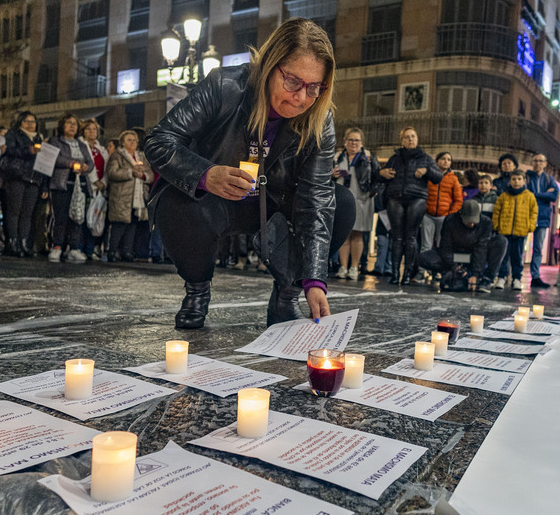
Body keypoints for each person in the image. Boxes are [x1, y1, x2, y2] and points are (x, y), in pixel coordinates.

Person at [144, 17, 354, 328]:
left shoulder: (320, 118)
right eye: (293, 81)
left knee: (341, 203)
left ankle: (285, 296)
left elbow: (317, 197)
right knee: (175, 202)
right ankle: (197, 290)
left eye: (314, 88)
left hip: (276, 204)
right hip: (216, 199)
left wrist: (313, 279)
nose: (300, 98)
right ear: (270, 66)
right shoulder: (225, 86)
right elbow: (158, 140)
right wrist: (206, 173)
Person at [378, 127, 443, 285]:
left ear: (417, 139)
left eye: (413, 136)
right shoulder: (395, 158)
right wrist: (382, 174)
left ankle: (407, 274)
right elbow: (382, 176)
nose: (410, 139)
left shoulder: (425, 158)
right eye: (407, 137)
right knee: (397, 237)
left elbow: (438, 177)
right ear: (402, 141)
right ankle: (394, 274)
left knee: (411, 237)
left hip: (417, 199)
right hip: (396, 198)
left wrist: (426, 171)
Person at [418, 200, 507, 292]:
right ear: (461, 216)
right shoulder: (450, 220)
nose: (472, 224)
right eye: (469, 221)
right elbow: (445, 247)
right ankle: (451, 273)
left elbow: (481, 248)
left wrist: (475, 274)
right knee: (424, 257)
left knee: (501, 241)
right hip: (455, 255)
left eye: (474, 221)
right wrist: (454, 266)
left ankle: (486, 280)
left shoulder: (486, 223)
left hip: (474, 256)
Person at [46, 113, 96, 262]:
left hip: (79, 185)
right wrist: (70, 163)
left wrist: (85, 167)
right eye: (69, 123)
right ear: (62, 125)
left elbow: (90, 162)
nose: (72, 126)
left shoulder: (81, 144)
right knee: (60, 217)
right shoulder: (55, 141)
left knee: (78, 217)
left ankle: (74, 248)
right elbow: (54, 157)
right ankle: (57, 246)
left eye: (75, 124)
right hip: (62, 184)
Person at [332, 128, 376, 280]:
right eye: (351, 140)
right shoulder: (338, 156)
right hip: (343, 200)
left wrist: (372, 192)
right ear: (345, 141)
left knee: (358, 234)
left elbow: (377, 176)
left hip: (362, 200)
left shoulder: (368, 157)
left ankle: (354, 268)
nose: (353, 143)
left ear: (361, 143)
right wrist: (331, 175)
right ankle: (343, 267)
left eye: (357, 140)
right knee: (344, 234)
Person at [0, 111, 44, 257]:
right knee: (14, 211)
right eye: (27, 121)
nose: (30, 124)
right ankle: (12, 242)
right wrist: (28, 150)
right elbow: (8, 150)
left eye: (33, 121)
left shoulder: (39, 138)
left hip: (34, 178)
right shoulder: (13, 134)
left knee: (27, 213)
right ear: (20, 123)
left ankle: (24, 242)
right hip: (17, 176)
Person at [105, 129, 154, 262]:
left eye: (134, 140)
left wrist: (143, 176)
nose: (133, 142)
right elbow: (112, 173)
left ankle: (127, 252)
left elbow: (150, 176)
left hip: (137, 197)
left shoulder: (141, 157)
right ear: (122, 142)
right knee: (119, 225)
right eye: (129, 140)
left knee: (132, 224)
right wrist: (130, 172)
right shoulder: (117, 156)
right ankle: (112, 251)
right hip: (122, 196)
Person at [489, 169, 537, 291]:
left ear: (524, 181)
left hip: (520, 232)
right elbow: (497, 212)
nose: (516, 182)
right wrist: (497, 225)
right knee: (503, 256)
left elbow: (534, 212)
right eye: (514, 179)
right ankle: (502, 277)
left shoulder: (529, 196)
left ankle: (516, 279)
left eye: (519, 179)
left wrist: (530, 226)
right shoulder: (504, 196)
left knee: (517, 257)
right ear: (510, 181)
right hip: (504, 231)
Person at [525, 153, 558, 288]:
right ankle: (515, 275)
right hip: (526, 215)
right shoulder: (526, 177)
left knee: (538, 248)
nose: (538, 163)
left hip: (543, 217)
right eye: (535, 161)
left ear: (545, 164)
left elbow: (554, 195)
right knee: (520, 247)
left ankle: (535, 277)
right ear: (532, 163)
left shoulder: (550, 179)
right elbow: (525, 194)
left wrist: (535, 194)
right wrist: (545, 195)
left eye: (540, 161)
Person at [422, 150, 463, 254]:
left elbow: (458, 200)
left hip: (444, 217)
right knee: (425, 245)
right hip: (427, 215)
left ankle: (439, 269)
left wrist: (450, 214)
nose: (446, 161)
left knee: (442, 245)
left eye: (448, 159)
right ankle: (422, 270)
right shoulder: (429, 175)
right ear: (437, 161)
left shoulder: (453, 179)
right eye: (443, 159)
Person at [81, 119, 109, 260]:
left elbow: (107, 168)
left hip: (100, 189)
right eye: (88, 129)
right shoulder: (81, 146)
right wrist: (94, 181)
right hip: (87, 187)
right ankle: (81, 248)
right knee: (84, 218)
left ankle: (92, 249)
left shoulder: (102, 149)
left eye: (94, 129)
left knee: (95, 218)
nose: (92, 132)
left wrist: (103, 182)